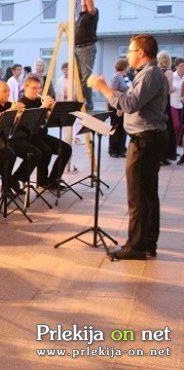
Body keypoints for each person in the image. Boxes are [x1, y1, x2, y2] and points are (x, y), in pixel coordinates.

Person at [89, 34, 169, 260]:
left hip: (145, 139)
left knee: (138, 195)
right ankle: (147, 243)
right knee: (147, 193)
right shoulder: (148, 74)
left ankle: (136, 245)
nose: (128, 55)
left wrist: (104, 88)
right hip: (149, 138)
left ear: (142, 53)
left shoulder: (150, 74)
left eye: (131, 51)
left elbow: (130, 104)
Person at [0, 81, 38, 195]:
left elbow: (16, 123)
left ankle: (14, 180)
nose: (8, 94)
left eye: (8, 91)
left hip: (9, 138)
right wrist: (12, 110)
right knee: (10, 154)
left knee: (35, 153)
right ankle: (2, 186)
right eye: (4, 91)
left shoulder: (8, 104)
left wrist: (20, 115)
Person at [18, 75, 72, 189]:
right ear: (25, 87)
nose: (37, 91)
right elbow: (31, 123)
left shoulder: (38, 101)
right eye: (34, 88)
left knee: (66, 149)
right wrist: (43, 106)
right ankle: (42, 181)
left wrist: (53, 110)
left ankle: (52, 180)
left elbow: (48, 120)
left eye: (39, 88)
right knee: (46, 151)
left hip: (42, 135)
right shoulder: (22, 103)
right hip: (29, 137)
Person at [75, 0, 98, 111]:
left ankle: (88, 103)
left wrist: (87, 2)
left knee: (86, 77)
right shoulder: (80, 17)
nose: (83, 2)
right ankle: (80, 100)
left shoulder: (91, 14)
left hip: (86, 47)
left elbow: (91, 8)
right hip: (78, 48)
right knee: (79, 77)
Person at [108, 58, 129, 158]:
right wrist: (118, 108)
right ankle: (113, 149)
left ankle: (121, 148)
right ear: (124, 66)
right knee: (116, 127)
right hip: (117, 105)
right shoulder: (116, 77)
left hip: (123, 104)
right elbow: (113, 91)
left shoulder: (124, 77)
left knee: (122, 128)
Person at [158, 51, 177, 163]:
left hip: (157, 103)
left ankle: (158, 155)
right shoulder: (169, 72)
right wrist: (174, 89)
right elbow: (169, 90)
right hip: (165, 103)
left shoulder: (156, 71)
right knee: (167, 129)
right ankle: (166, 155)